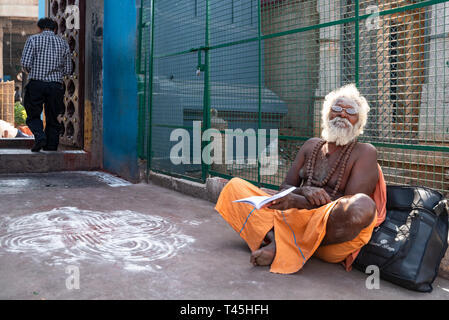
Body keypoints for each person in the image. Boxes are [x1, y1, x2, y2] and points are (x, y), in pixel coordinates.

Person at [215, 84, 387, 274]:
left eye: (351, 111)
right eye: (336, 109)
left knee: (362, 206)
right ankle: (284, 243)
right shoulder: (311, 145)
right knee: (233, 188)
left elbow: (349, 205)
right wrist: (303, 190)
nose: (342, 115)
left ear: (359, 123)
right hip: (292, 216)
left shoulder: (364, 152)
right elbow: (285, 187)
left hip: (327, 234)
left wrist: (301, 202)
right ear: (326, 115)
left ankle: (277, 243)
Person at [21, 18, 72, 152]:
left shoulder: (32, 40)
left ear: (39, 28)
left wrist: (34, 72)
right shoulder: (63, 43)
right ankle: (51, 146)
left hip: (36, 84)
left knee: (33, 114)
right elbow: (68, 70)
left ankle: (39, 136)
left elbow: (25, 63)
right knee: (53, 116)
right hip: (55, 86)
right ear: (55, 29)